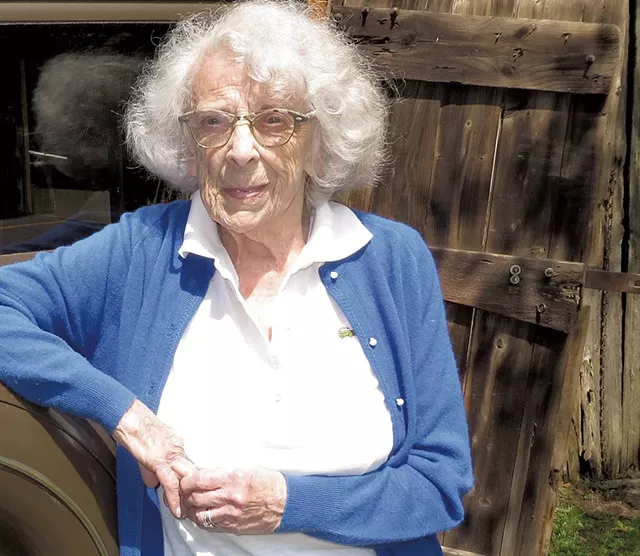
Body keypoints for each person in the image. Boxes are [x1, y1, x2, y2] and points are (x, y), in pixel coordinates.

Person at [0, 1, 473, 555]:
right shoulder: (143, 251)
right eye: (213, 121)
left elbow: (439, 485)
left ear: (319, 139)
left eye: (274, 120)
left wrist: (288, 505)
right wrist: (126, 416)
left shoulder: (389, 259)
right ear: (188, 145)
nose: (241, 150)